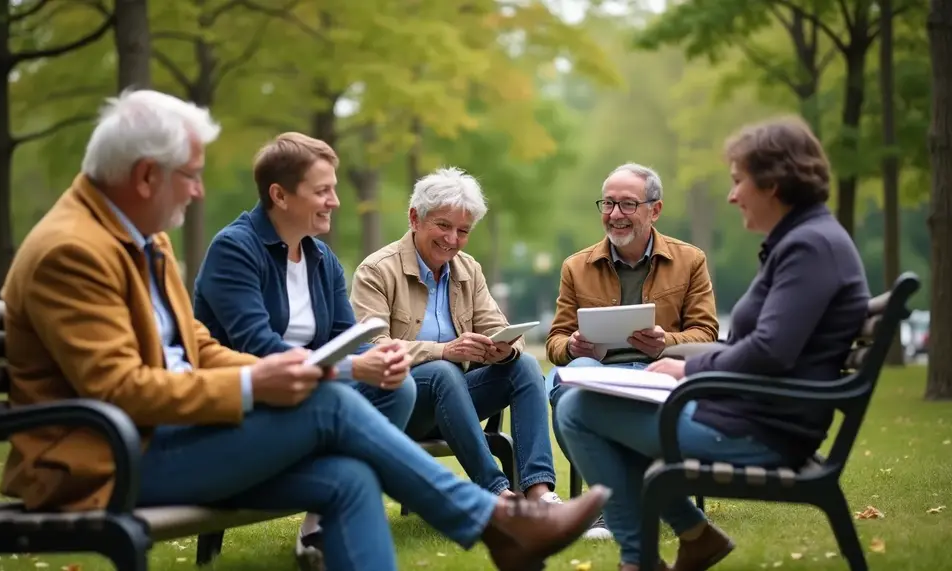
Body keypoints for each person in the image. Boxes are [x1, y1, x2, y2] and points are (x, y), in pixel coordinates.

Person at [0, 89, 612, 571]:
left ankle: (503, 519)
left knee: (346, 479)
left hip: (167, 438)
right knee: (329, 407)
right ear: (144, 176)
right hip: (102, 461)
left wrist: (264, 373)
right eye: (191, 174)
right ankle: (497, 521)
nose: (200, 188)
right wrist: (258, 383)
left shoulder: (142, 238)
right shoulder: (72, 251)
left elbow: (195, 346)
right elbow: (118, 389)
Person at [555, 116, 871, 571]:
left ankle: (648, 554)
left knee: (578, 411)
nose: (732, 194)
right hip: (750, 413)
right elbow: (764, 345)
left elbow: (769, 350)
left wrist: (685, 369)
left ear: (774, 184)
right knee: (585, 402)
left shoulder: (809, 246)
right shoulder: (805, 240)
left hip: (763, 431)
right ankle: (691, 536)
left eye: (740, 181)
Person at [192, 132, 416, 568]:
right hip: (250, 397)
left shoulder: (321, 258)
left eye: (333, 188)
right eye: (322, 191)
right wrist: (355, 368)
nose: (334, 201)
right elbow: (258, 348)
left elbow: (342, 337)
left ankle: (318, 526)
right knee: (354, 394)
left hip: (312, 390)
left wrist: (379, 359)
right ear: (280, 195)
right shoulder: (234, 249)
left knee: (399, 388)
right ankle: (479, 511)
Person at [349, 166, 560, 505]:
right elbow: (370, 347)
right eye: (443, 226)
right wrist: (443, 351)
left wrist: (502, 349)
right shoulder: (376, 271)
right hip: (400, 406)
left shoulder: (468, 269)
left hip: (456, 405)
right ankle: (497, 495)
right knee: (442, 371)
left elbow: (499, 327)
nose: (452, 240)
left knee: (525, 367)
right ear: (415, 218)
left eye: (463, 231)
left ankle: (539, 493)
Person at [544, 162, 719, 538]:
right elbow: (555, 342)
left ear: (654, 209)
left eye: (627, 204)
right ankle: (621, 499)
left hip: (657, 372)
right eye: (608, 204)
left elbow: (706, 334)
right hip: (599, 371)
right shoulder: (576, 266)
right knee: (564, 383)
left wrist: (666, 343)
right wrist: (572, 345)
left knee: (590, 395)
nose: (615, 215)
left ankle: (616, 503)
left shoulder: (690, 260)